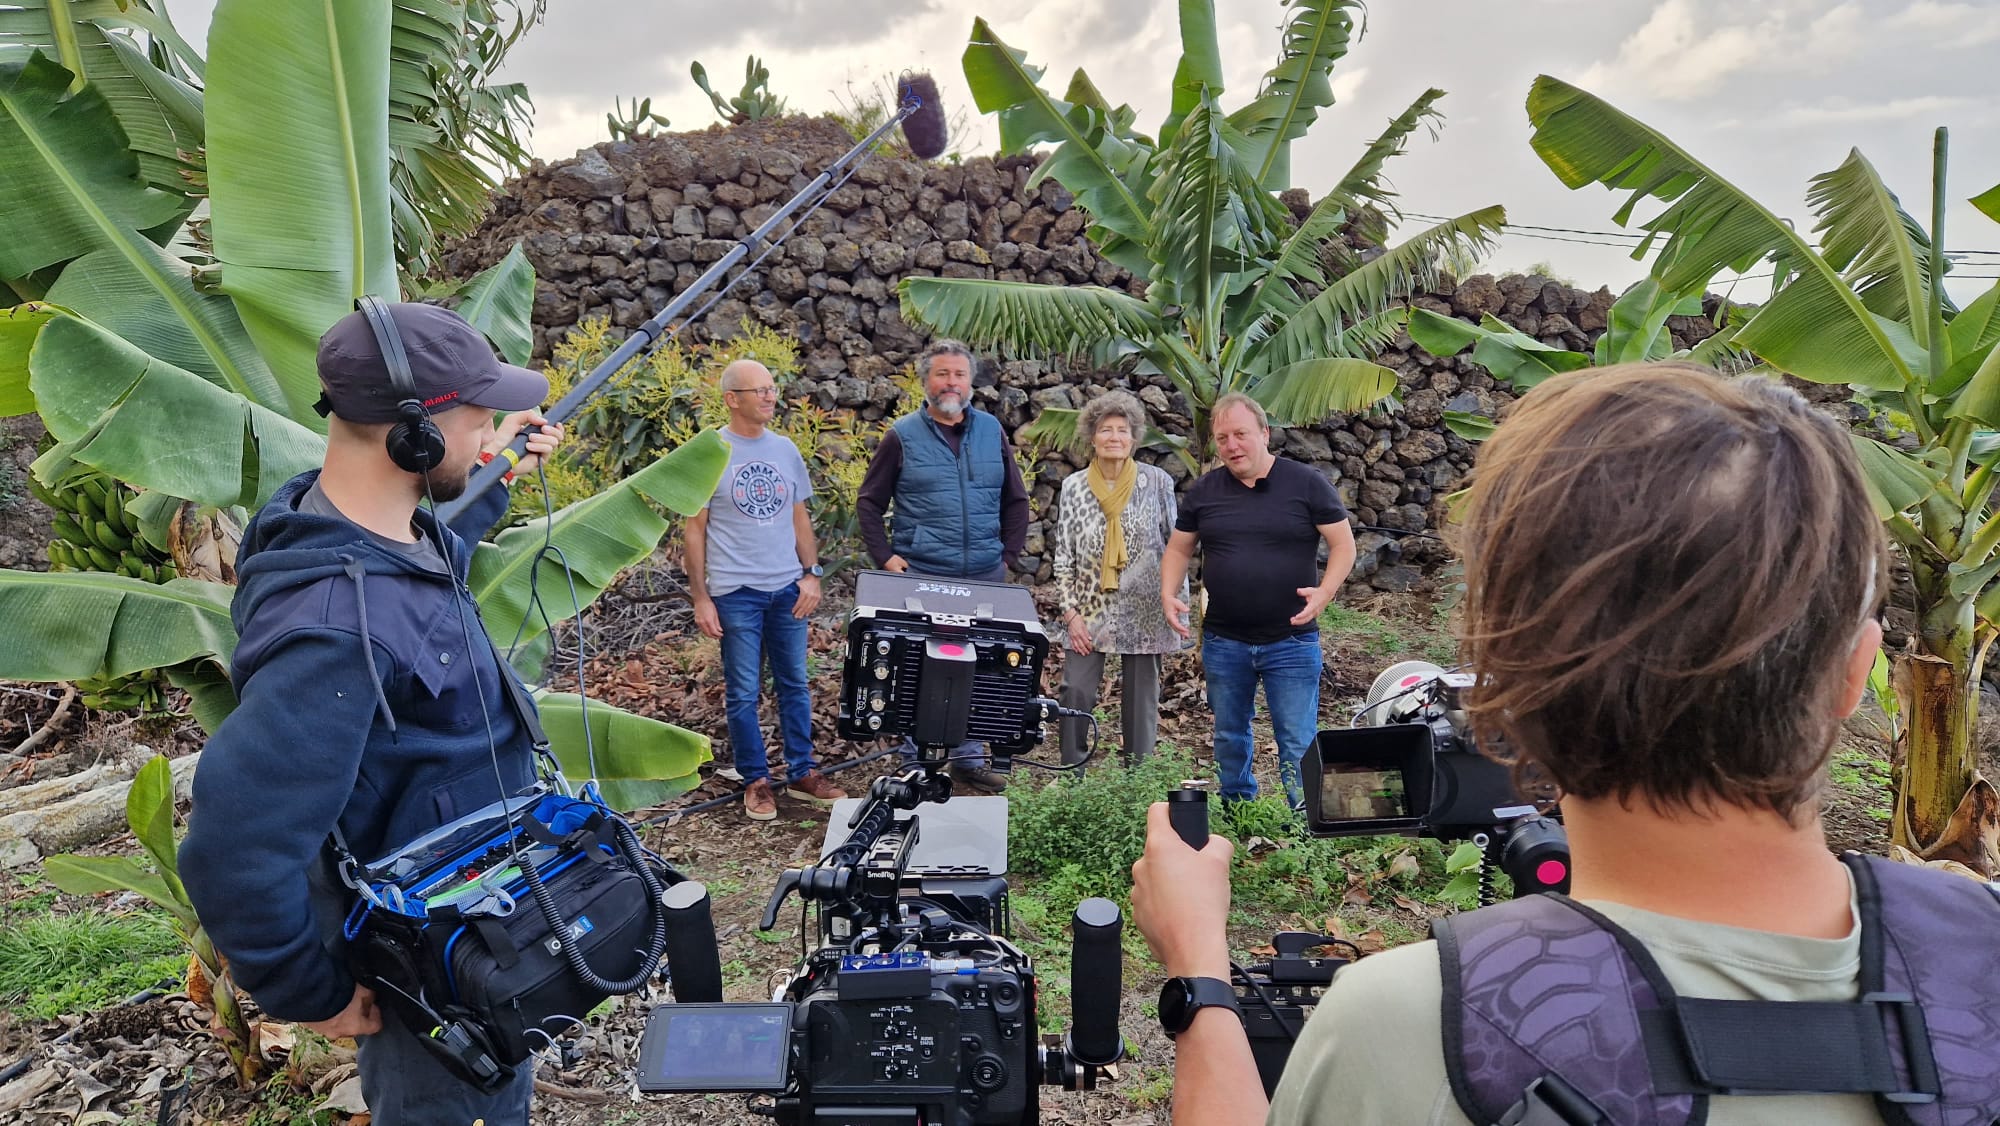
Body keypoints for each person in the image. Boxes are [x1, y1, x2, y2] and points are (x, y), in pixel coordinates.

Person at [1129, 364, 2000, 1126]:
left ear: (1508, 679)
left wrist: (1199, 969)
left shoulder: (1409, 1027)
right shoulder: (1981, 954)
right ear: (1856, 672)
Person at [178, 302, 565, 1126]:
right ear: (413, 436)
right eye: (477, 416)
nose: (489, 431)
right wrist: (310, 993)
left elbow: (422, 565)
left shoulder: (349, 524)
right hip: (429, 969)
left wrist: (493, 476)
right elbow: (234, 845)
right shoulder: (333, 628)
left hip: (477, 912)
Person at [1160, 392, 1355, 806]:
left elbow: (1344, 545)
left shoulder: (1306, 483)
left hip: (1292, 640)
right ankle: (1237, 809)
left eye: (1241, 434)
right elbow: (1178, 549)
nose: (1232, 445)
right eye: (1223, 438)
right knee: (1229, 734)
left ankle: (1305, 821)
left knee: (1297, 739)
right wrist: (1168, 592)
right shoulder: (1205, 490)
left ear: (1264, 433)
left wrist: (1325, 592)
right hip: (1224, 641)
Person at [855, 338, 1032, 792]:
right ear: (926, 381)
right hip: (924, 573)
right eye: (942, 374)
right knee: (919, 665)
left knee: (981, 665)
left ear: (970, 382)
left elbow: (1016, 500)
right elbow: (869, 502)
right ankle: (915, 762)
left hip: (984, 576)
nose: (951, 382)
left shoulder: (991, 431)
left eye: (959, 374)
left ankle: (968, 758)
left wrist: (1007, 556)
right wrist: (886, 558)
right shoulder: (901, 436)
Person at [685, 359, 847, 821]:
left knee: (794, 683)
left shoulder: (784, 449)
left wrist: (812, 574)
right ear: (732, 399)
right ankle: (755, 779)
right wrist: (701, 597)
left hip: (786, 589)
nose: (770, 396)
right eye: (759, 390)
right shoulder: (711, 452)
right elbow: (694, 529)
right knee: (743, 691)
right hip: (736, 592)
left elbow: (799, 516)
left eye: (772, 388)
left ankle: (803, 772)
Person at [1051, 390, 1183, 766]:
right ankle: (1072, 770)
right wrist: (1070, 614)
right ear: (1092, 437)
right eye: (1105, 430)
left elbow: (1176, 546)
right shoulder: (1074, 486)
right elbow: (1064, 555)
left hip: (1145, 606)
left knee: (1141, 698)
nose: (1114, 437)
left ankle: (1138, 777)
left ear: (1133, 438)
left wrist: (1175, 601)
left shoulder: (1157, 482)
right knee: (1075, 690)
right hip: (1089, 609)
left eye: (1122, 430)